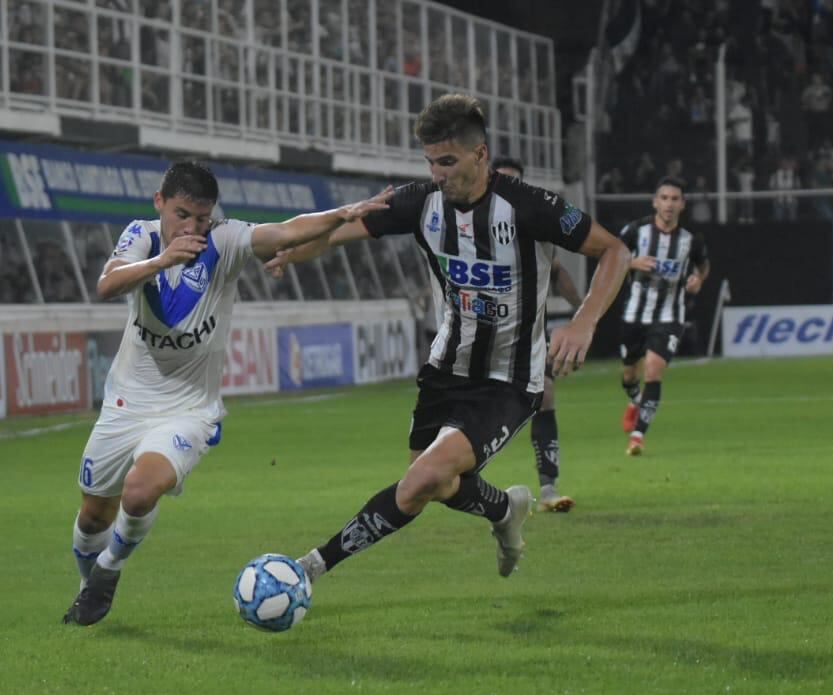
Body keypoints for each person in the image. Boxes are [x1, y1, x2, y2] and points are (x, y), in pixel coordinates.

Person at [263, 95, 629, 588]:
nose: (437, 173)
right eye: (430, 161)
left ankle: (308, 569)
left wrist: (583, 322)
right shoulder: (420, 203)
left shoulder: (528, 206)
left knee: (421, 481)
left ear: (480, 156)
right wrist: (293, 250)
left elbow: (615, 251)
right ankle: (504, 508)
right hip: (445, 370)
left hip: (509, 378)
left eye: (448, 161)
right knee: (431, 483)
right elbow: (339, 231)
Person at [62, 160, 389, 626]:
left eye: (202, 217)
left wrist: (342, 213)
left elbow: (286, 232)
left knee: (139, 492)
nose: (193, 227)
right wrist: (161, 261)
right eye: (182, 215)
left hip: (188, 408)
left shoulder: (226, 239)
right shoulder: (142, 236)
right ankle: (86, 587)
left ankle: (109, 571)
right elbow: (106, 284)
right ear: (159, 204)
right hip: (127, 402)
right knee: (94, 515)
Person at [492, 157, 585, 512]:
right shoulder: (467, 227)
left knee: (545, 395)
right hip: (479, 337)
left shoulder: (534, 225)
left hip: (529, 334)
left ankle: (548, 489)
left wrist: (581, 310)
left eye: (514, 183)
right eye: (501, 181)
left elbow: (558, 271)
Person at [617, 178, 709, 455]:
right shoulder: (636, 231)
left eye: (675, 199)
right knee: (629, 374)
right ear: (655, 202)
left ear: (682, 204)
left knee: (653, 370)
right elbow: (609, 257)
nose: (669, 204)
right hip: (635, 313)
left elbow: (703, 266)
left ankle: (637, 437)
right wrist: (632, 262)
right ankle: (635, 402)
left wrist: (698, 280)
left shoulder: (690, 239)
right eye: (664, 198)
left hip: (670, 315)